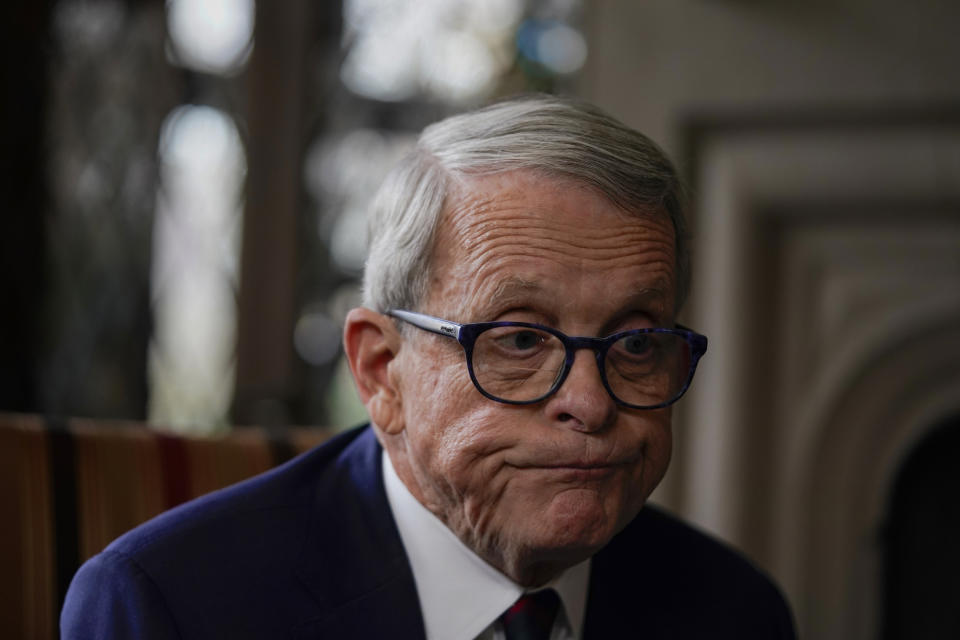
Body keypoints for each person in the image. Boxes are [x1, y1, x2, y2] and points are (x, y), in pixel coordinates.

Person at [61, 94, 796, 639]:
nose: (590, 403)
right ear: (383, 371)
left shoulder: (733, 611)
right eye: (518, 340)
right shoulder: (171, 607)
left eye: (635, 343)